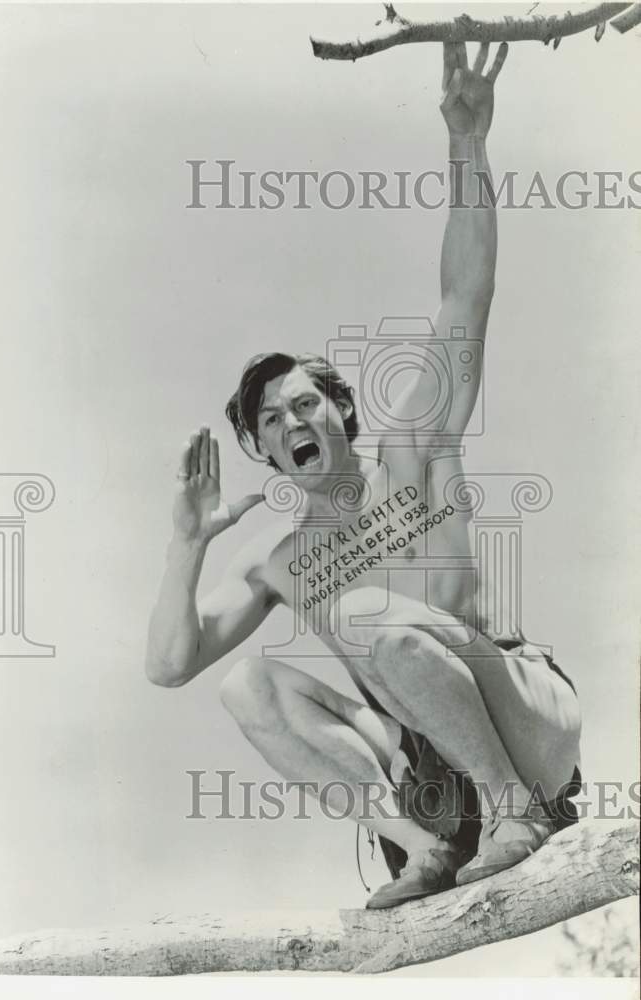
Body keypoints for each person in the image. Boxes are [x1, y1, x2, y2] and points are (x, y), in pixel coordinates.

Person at [145, 42, 583, 908]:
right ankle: (421, 850)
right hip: (433, 773)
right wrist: (185, 546)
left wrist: (468, 143)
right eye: (270, 422)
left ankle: (516, 813)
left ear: (343, 413)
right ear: (266, 457)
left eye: (305, 404)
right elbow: (170, 665)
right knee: (248, 681)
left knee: (368, 613)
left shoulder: (413, 451)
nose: (291, 423)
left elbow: (467, 296)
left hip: (524, 723)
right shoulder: (276, 560)